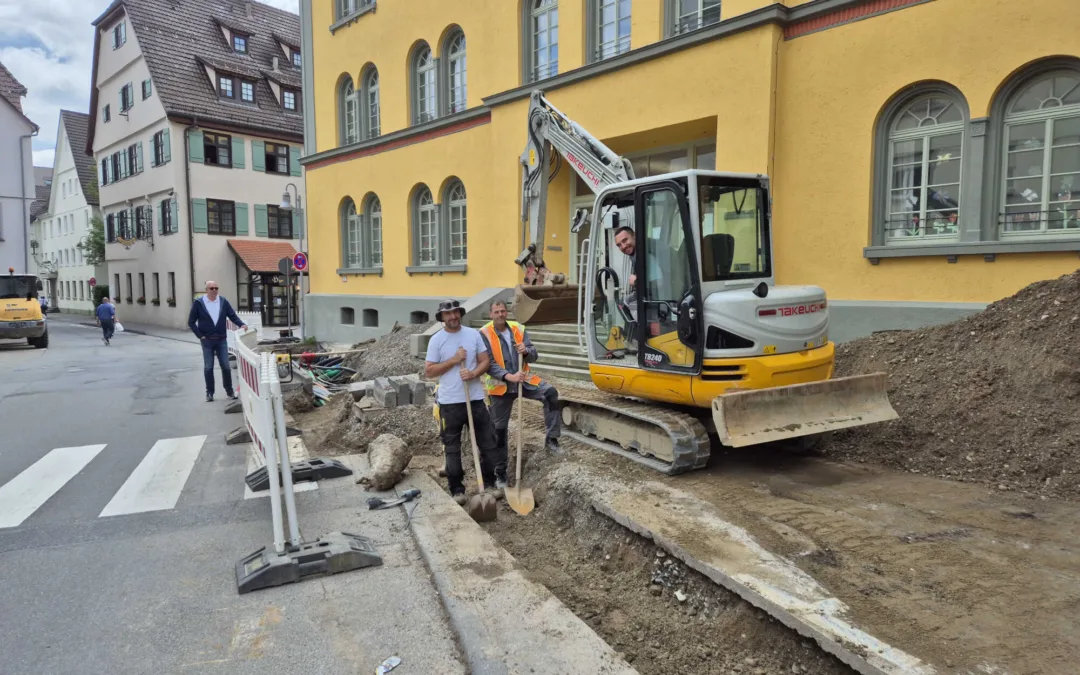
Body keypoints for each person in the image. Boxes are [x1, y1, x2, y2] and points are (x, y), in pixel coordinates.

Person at [425, 299, 501, 504]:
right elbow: (429, 371)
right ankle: (457, 489)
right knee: (452, 447)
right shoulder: (436, 340)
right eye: (447, 314)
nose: (452, 317)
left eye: (455, 312)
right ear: (442, 317)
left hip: (475, 399)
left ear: (460, 313)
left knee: (487, 443)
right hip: (449, 402)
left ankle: (490, 483)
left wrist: (474, 372)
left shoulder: (473, 334)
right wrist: (454, 360)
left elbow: (485, 361)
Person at [480, 301, 562, 472]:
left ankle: (551, 440)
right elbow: (487, 363)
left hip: (523, 379)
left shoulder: (518, 329)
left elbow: (534, 355)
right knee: (499, 430)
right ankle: (500, 471)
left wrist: (526, 351)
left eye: (503, 311)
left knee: (551, 394)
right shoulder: (484, 333)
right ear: (491, 314)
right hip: (500, 385)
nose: (501, 314)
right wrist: (509, 376)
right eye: (497, 312)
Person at [187, 280, 246, 402]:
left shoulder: (223, 301)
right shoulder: (199, 303)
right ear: (206, 290)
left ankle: (229, 391)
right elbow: (191, 322)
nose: (214, 290)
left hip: (221, 340)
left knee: (226, 366)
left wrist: (241, 324)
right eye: (211, 288)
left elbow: (232, 315)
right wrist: (200, 336)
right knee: (208, 367)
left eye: (216, 288)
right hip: (207, 340)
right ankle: (209, 393)